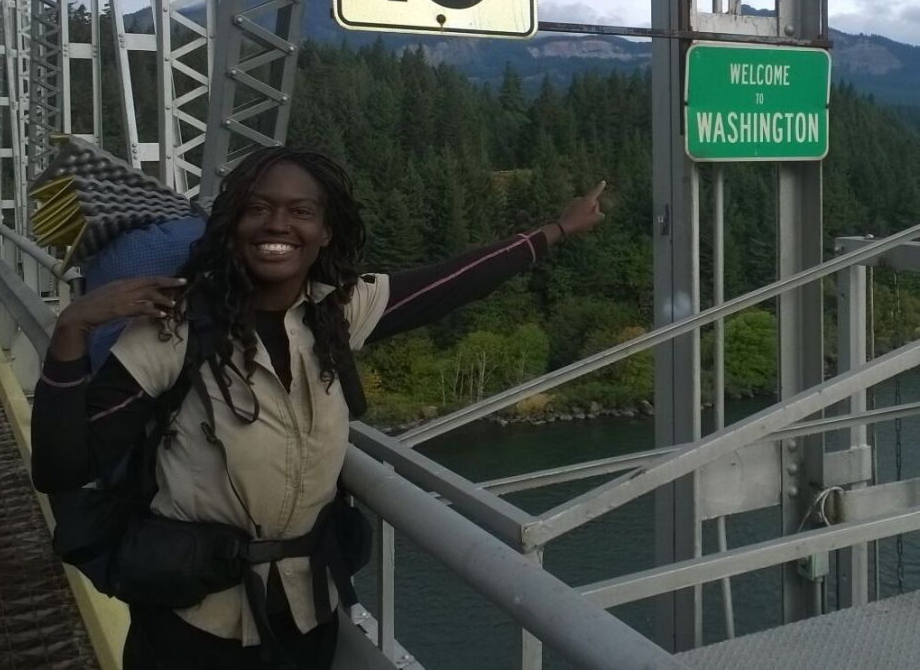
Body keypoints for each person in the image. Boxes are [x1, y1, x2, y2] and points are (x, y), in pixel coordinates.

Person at [31, 147, 605, 670]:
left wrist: (558, 229)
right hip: (192, 621)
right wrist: (73, 329)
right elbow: (63, 468)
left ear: (326, 232)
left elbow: (451, 283)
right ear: (232, 226)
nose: (278, 224)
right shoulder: (174, 331)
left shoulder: (336, 313)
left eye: (300, 211)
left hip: (307, 615)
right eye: (258, 208)